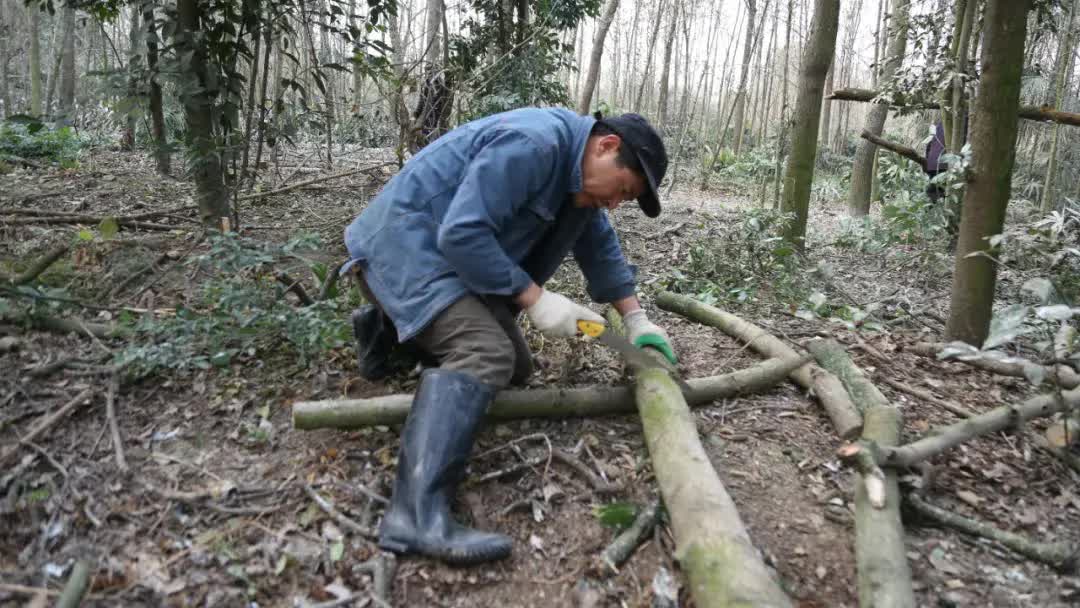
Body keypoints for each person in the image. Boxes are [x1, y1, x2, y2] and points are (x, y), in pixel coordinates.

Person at [340, 107, 678, 565]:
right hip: (406, 249)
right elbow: (461, 234)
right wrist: (534, 297)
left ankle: (384, 330)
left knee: (517, 368)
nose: (615, 204)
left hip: (446, 266)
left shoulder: (580, 183)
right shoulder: (533, 145)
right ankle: (414, 518)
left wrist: (635, 320)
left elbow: (600, 248)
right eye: (622, 191)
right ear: (606, 146)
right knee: (485, 355)